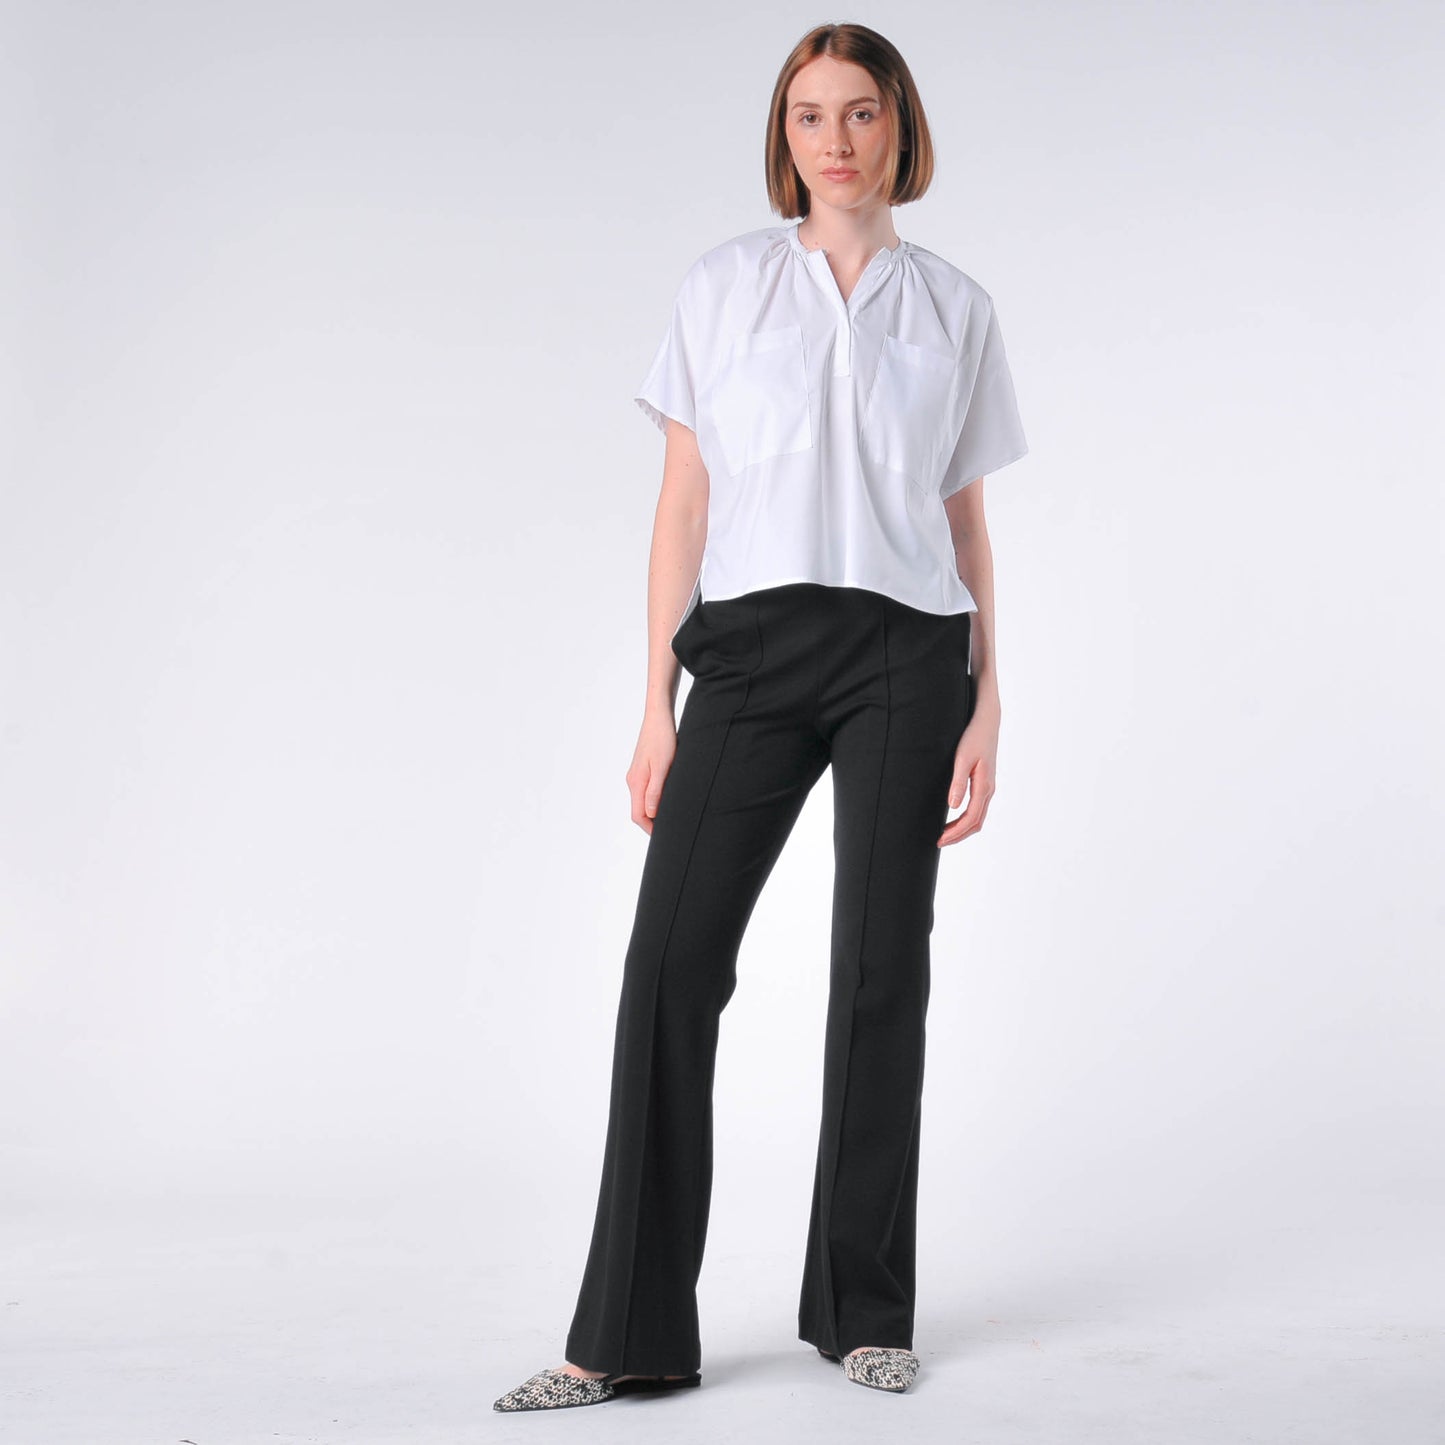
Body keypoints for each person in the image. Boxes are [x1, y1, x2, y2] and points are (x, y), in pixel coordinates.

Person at [493, 20, 1027, 1412]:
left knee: (880, 972)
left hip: (908, 652)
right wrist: (655, 700)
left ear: (901, 125)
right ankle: (626, 1334)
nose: (835, 140)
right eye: (808, 115)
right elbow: (682, 504)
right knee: (670, 966)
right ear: (782, 136)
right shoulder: (724, 287)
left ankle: (864, 1309)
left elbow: (965, 524)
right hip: (746, 653)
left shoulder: (953, 307)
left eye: (860, 112)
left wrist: (989, 698)